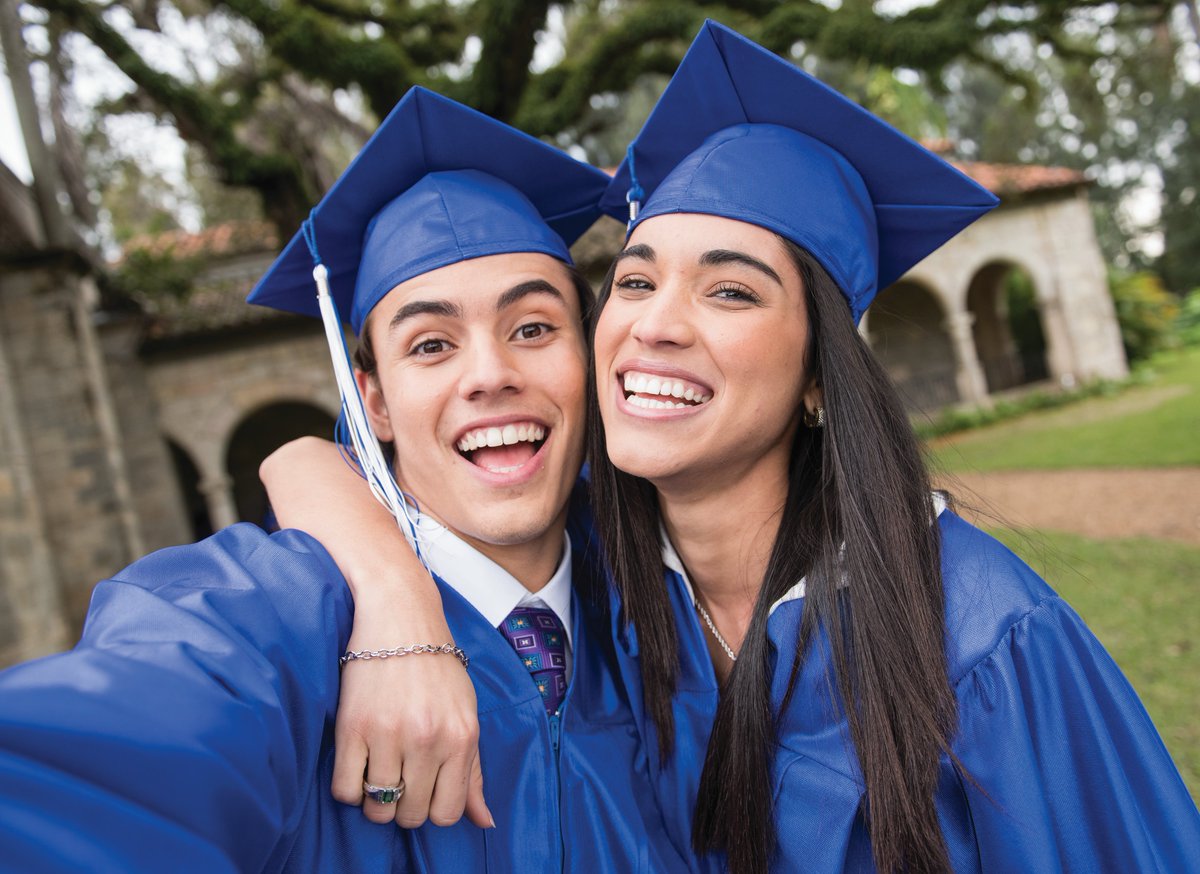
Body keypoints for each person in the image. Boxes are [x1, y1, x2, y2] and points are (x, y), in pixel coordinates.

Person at [265, 20, 1200, 874]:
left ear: (821, 378)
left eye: (732, 292)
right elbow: (317, 466)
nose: (655, 327)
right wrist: (395, 609)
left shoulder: (984, 636)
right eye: (635, 281)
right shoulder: (598, 586)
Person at [0, 87, 687, 874]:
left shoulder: (668, 597)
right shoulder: (281, 618)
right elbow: (106, 755)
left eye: (533, 328)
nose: (490, 375)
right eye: (431, 345)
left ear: (590, 357)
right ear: (375, 403)